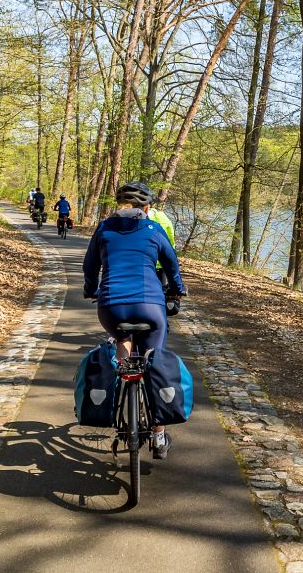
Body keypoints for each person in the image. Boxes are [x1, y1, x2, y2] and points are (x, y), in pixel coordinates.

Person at [83, 181, 186, 459]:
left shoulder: (104, 229)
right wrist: (177, 290)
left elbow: (90, 266)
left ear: (120, 206)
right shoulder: (154, 229)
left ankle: (118, 397)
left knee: (123, 340)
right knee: (154, 359)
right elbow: (171, 265)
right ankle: (159, 435)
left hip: (111, 307)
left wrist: (90, 289)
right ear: (147, 208)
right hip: (150, 307)